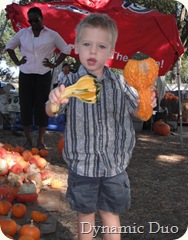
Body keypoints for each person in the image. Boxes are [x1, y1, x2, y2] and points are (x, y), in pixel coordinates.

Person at [46, 13, 156, 240]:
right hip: (82, 165)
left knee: (110, 212)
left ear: (111, 52)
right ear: (76, 47)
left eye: (101, 46)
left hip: (114, 164)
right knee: (85, 214)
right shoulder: (68, 82)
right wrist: (54, 101)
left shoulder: (121, 83)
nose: (93, 51)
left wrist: (146, 103)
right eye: (87, 44)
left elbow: (138, 112)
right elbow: (50, 110)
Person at [4, 7, 71, 149]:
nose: (33, 22)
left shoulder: (52, 35)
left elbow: (65, 49)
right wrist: (17, 61)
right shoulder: (23, 33)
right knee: (25, 106)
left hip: (43, 74)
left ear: (42, 18)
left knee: (42, 106)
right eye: (31, 20)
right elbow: (9, 46)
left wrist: (54, 64)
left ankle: (41, 141)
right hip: (25, 74)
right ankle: (28, 140)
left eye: (36, 19)